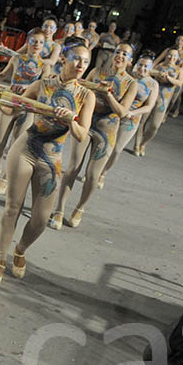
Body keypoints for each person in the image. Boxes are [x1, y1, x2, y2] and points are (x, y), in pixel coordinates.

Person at [0, 36, 95, 288]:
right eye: (77, 58)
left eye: (86, 61)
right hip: (25, 148)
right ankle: (0, 259)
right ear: (64, 58)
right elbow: (14, 110)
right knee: (12, 207)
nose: (81, 64)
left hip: (52, 158)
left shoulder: (85, 95)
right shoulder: (42, 83)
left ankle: (20, 250)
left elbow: (81, 134)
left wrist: (71, 119)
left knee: (41, 219)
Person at [50, 42, 137, 229]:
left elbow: (122, 112)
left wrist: (107, 94)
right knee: (72, 168)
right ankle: (59, 210)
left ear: (130, 61)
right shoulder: (97, 71)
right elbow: (80, 89)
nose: (120, 55)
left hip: (107, 131)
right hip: (85, 123)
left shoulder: (131, 83)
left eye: (125, 54)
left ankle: (80, 207)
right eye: (117, 51)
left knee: (92, 174)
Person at [0, 27, 46, 195]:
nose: (37, 45)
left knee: (14, 147)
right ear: (28, 42)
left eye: (40, 42)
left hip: (27, 108)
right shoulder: (17, 59)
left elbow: (45, 89)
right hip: (9, 103)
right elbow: (2, 75)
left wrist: (26, 88)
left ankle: (5, 179)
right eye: (34, 41)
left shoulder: (44, 66)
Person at [97, 50, 159, 188]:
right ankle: (95, 172)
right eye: (140, 65)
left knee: (117, 149)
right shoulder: (128, 77)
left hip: (131, 119)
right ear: (136, 64)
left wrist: (132, 112)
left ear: (151, 68)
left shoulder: (153, 84)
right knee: (106, 145)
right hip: (114, 114)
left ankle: (103, 173)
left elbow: (149, 106)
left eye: (146, 67)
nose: (142, 69)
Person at [134, 48, 183, 156]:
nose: (171, 58)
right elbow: (148, 71)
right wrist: (158, 73)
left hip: (163, 102)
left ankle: (143, 144)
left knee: (155, 126)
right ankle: (137, 145)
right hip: (151, 97)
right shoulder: (159, 66)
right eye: (170, 55)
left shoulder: (179, 70)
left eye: (175, 56)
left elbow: (179, 83)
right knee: (142, 121)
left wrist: (168, 78)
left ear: (178, 59)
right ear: (166, 55)